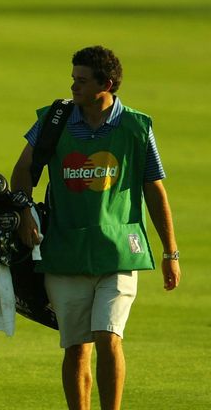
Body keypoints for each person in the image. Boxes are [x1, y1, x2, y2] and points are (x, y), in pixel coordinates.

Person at [10, 45, 181, 410]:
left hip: (118, 251)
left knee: (108, 336)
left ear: (107, 84)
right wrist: (25, 213)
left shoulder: (136, 127)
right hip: (64, 250)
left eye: (82, 81)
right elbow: (23, 169)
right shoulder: (54, 121)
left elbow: (154, 188)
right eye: (73, 79)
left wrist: (170, 252)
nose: (74, 87)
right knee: (75, 348)